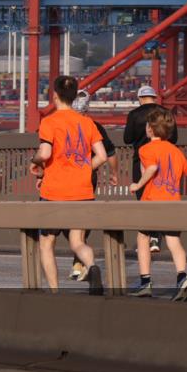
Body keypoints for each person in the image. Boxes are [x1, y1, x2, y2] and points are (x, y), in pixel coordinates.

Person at [29, 76, 107, 295]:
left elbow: (45, 153)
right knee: (77, 242)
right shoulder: (87, 122)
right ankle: (92, 267)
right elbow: (102, 156)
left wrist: (34, 162)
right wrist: (84, 169)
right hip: (82, 190)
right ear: (74, 97)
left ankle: (55, 292)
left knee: (47, 243)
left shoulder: (49, 122)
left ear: (54, 95)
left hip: (53, 192)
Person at [128, 108, 187, 301]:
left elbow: (152, 168)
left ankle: (145, 282)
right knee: (173, 241)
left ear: (149, 129)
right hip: (173, 201)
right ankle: (182, 277)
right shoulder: (176, 151)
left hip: (152, 201)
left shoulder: (145, 149)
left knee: (143, 238)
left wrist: (138, 184)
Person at [67, 90, 119, 282]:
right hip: (87, 177)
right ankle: (81, 262)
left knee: (58, 226)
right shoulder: (94, 126)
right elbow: (109, 153)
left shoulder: (60, 123)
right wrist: (114, 173)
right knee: (80, 220)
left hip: (62, 178)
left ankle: (78, 262)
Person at [123, 85, 178, 254]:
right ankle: (157, 236)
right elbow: (174, 138)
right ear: (154, 97)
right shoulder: (166, 113)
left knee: (143, 197)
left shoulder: (134, 114)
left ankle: (147, 234)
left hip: (140, 159)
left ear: (140, 98)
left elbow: (127, 139)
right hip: (164, 160)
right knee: (161, 195)